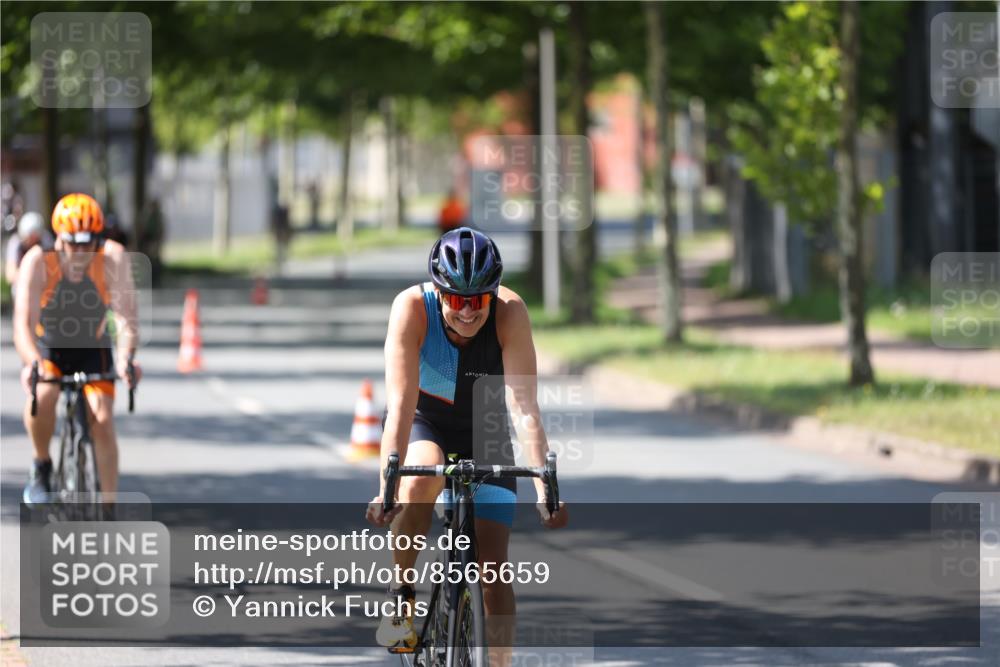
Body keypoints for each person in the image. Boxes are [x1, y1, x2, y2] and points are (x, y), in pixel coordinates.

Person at [366, 227, 568, 665]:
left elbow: (524, 406)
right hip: (425, 421)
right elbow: (400, 406)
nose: (467, 311)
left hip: (485, 428)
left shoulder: (510, 313)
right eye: (457, 299)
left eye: (478, 300)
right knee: (421, 474)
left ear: (493, 295)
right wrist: (387, 489)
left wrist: (545, 490)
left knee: (494, 569)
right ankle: (401, 595)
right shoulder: (412, 309)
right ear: (439, 292)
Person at [15, 193, 141, 504]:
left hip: (92, 346)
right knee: (42, 395)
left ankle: (108, 507)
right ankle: (41, 465)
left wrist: (126, 357)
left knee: (102, 419)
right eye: (73, 244)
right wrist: (31, 362)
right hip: (50, 348)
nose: (81, 253)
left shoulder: (113, 258)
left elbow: (126, 318)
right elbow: (23, 324)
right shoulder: (36, 261)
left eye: (89, 244)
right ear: (59, 240)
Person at [5, 212, 51, 293]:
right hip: (23, 284)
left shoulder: (46, 240)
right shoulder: (15, 243)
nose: (32, 243)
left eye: (35, 238)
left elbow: (54, 268)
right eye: (29, 238)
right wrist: (29, 279)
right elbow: (10, 274)